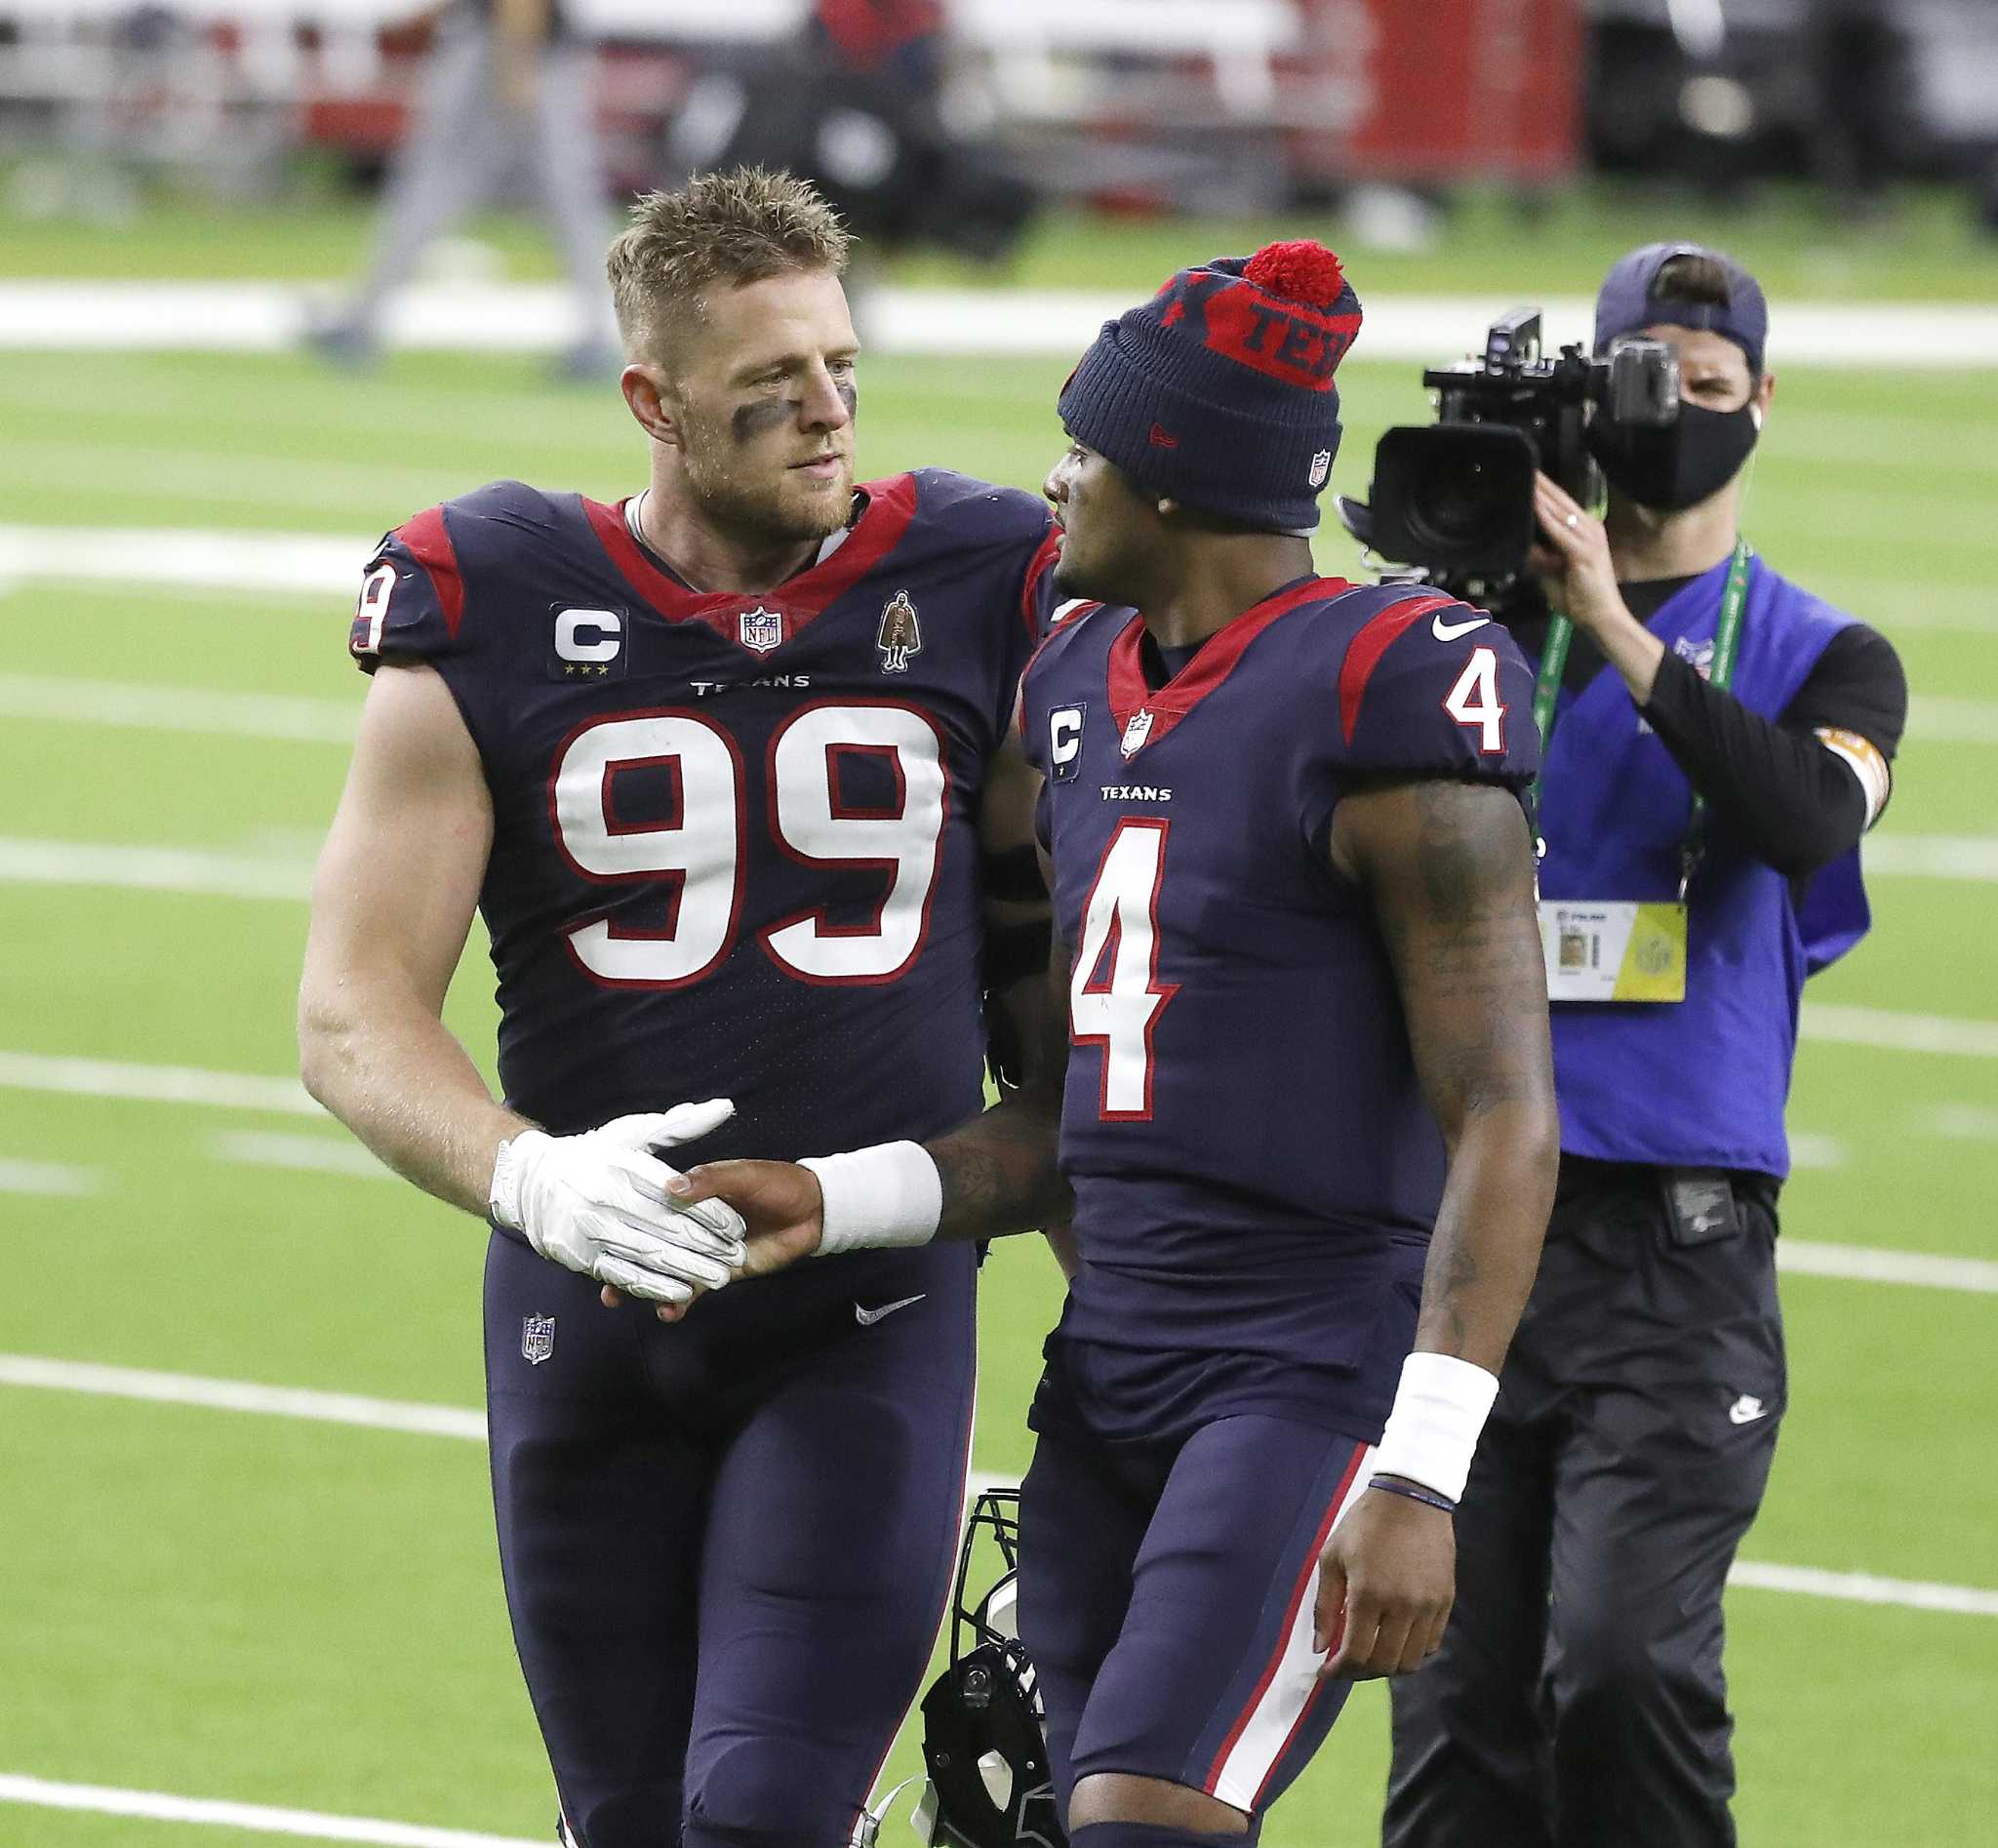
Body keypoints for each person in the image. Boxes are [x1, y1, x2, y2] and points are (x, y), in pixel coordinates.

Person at [661, 240, 1562, 1843]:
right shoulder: (1078, 681)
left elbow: (1503, 1110)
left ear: (1169, 474)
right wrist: (833, 1193)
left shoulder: (1380, 690)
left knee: (1146, 1817)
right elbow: (1073, 1118)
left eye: (1082, 445)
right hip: (1108, 1374)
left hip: (1300, 1367)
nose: (1055, 478)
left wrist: (1419, 1469)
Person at [298, 167, 1064, 1848]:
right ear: (648, 398)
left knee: (768, 1818)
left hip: (865, 1302)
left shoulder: (982, 569)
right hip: (589, 1305)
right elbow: (351, 1009)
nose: (825, 412)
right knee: (632, 1823)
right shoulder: (485, 592)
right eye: (769, 383)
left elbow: (1053, 985)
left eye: (842, 367)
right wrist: (526, 1174)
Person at [1382, 243, 1909, 1847]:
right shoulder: (1470, 639)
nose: (1673, 402)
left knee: (1618, 1667)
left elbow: (1801, 814)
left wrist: (1610, 623)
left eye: (1704, 375)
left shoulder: (1825, 655)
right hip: (1471, 1231)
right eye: (1639, 372)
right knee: (1451, 1709)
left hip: (1668, 1256)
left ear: (1762, 397)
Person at [308, 0, 619, 377]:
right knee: (565, 202)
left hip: (514, 52)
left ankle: (602, 336)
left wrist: (516, 65)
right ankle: (603, 335)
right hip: (515, 49)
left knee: (442, 191)